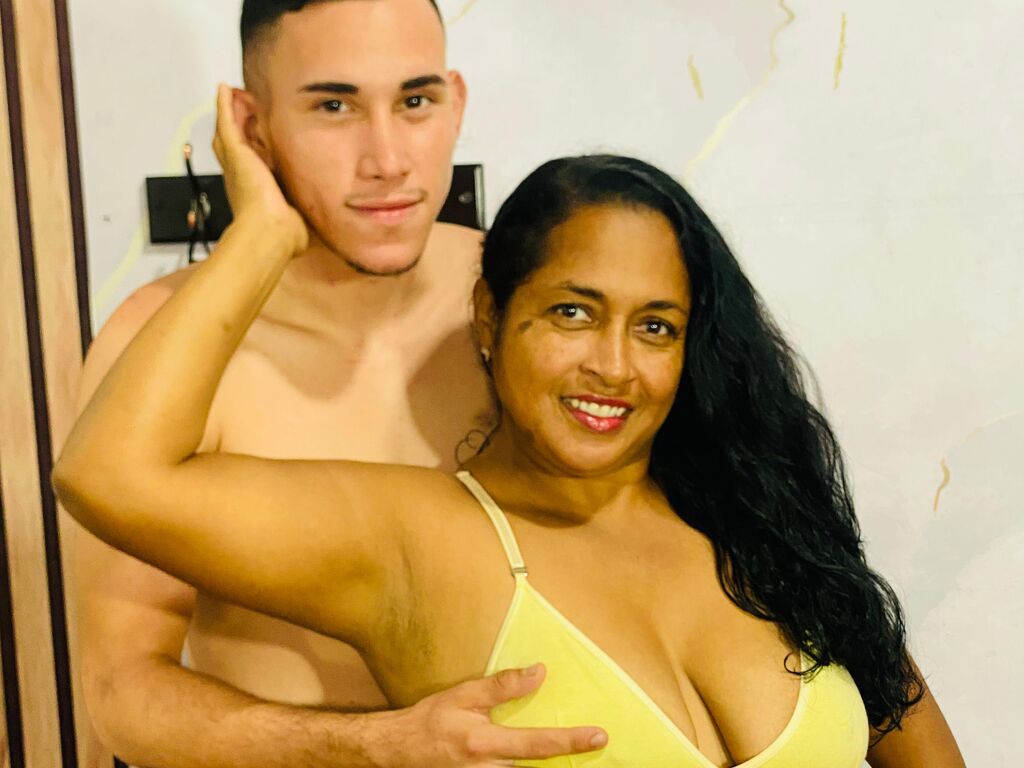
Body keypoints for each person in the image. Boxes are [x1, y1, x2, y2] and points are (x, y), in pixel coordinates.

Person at [57, 83, 966, 767]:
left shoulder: (761, 524)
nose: (614, 365)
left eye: (656, 327)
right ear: (489, 318)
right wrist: (260, 233)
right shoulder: (414, 542)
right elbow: (107, 476)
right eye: (573, 312)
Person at [73, 1, 606, 766]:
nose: (387, 159)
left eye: (415, 101)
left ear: (456, 103)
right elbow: (120, 689)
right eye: (334, 106)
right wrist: (377, 747)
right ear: (252, 126)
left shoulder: (525, 299)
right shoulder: (162, 343)